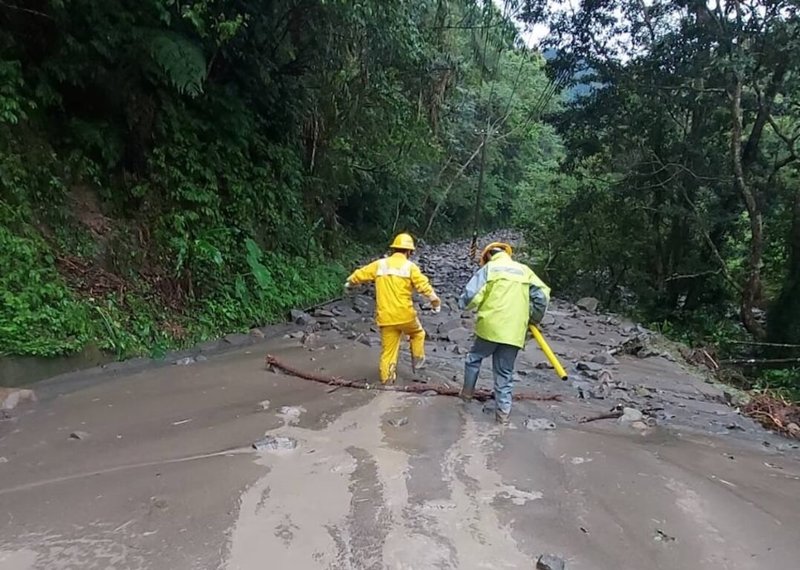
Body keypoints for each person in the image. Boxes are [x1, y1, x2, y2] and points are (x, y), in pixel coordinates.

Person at [458, 242, 550, 425]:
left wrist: (462, 305)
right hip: (515, 330)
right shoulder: (524, 271)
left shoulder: (489, 269)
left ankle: (466, 396)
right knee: (505, 373)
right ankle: (503, 416)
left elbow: (471, 296)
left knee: (474, 359)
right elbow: (542, 297)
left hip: (490, 327)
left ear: (487, 256)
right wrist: (533, 318)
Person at [345, 233, 441, 384]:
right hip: (406, 316)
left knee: (388, 352)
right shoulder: (410, 267)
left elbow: (360, 274)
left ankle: (387, 381)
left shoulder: (380, 264)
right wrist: (435, 302)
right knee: (418, 334)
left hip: (386, 317)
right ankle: (418, 366)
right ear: (409, 251)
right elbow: (424, 286)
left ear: (394, 248)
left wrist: (350, 282)